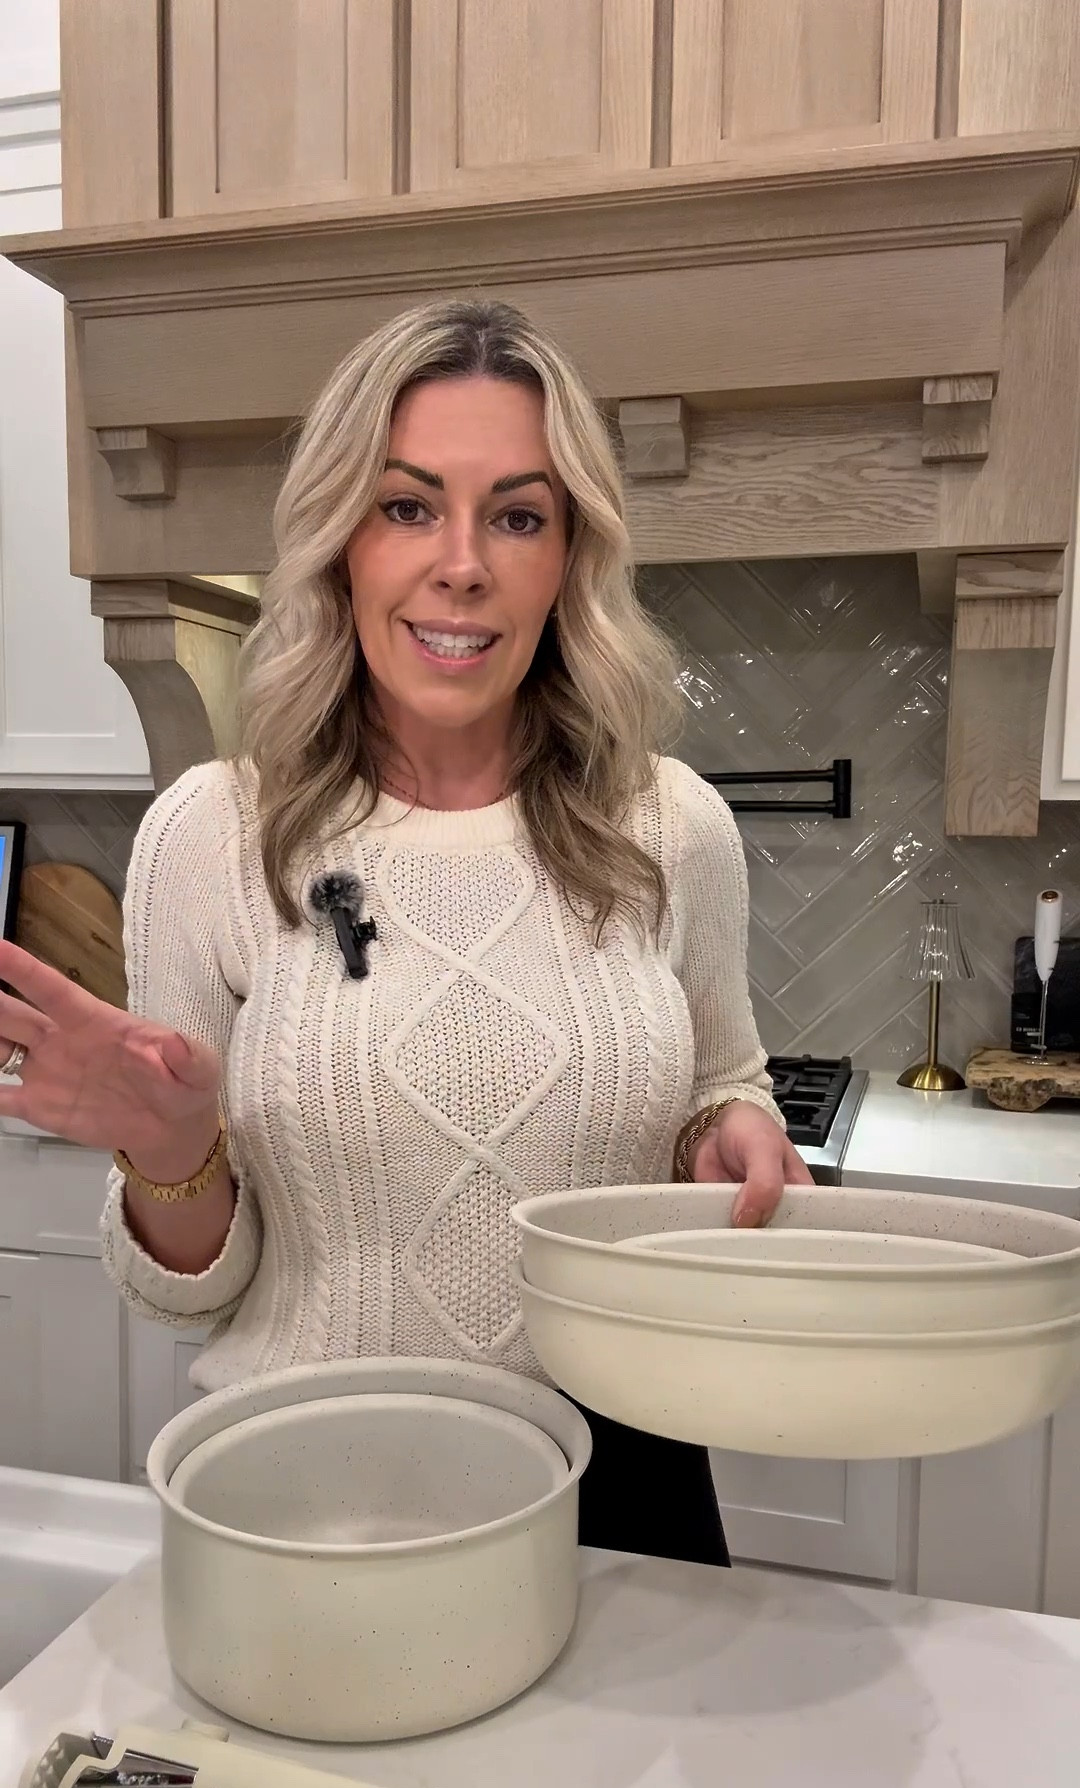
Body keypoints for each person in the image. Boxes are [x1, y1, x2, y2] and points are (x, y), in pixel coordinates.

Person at [0, 298, 811, 1566]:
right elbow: (182, 1289)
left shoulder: (671, 825)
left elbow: (726, 1077)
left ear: (571, 558)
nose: (463, 564)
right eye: (407, 506)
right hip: (315, 1485)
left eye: (519, 516)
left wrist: (729, 1129)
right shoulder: (214, 835)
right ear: (340, 544)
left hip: (627, 1480)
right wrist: (170, 1147)